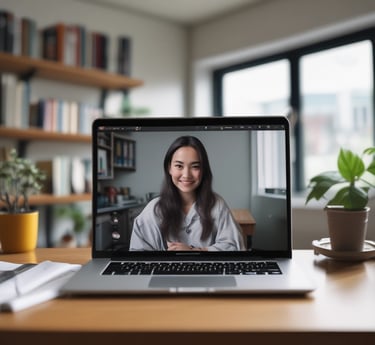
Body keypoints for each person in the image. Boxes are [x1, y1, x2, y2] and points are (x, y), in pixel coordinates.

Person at [129, 136, 245, 251]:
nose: (186, 175)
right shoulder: (153, 209)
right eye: (179, 166)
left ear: (203, 170)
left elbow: (235, 247)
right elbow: (138, 255)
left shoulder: (216, 204)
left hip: (206, 269)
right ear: (169, 168)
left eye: (195, 167)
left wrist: (195, 251)